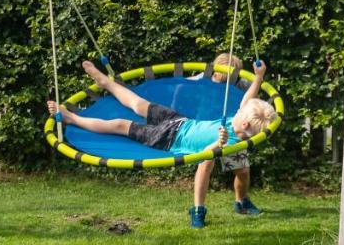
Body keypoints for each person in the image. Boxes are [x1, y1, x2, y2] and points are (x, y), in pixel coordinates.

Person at [48, 59, 275, 228]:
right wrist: (258, 77)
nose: (240, 111)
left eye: (243, 116)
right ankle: (105, 82)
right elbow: (248, 100)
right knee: (139, 104)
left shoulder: (230, 140)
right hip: (179, 121)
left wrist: (218, 143)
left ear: (244, 125)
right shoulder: (238, 118)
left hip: (166, 138)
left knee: (119, 125)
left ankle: (71, 118)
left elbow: (205, 157)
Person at [191, 54, 262, 223]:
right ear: (215, 70)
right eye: (219, 77)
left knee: (243, 171)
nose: (223, 81)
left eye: (229, 78)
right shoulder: (203, 79)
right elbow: (182, 86)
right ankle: (198, 210)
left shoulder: (241, 83)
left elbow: (252, 103)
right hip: (206, 130)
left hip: (232, 131)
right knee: (206, 163)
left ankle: (241, 201)